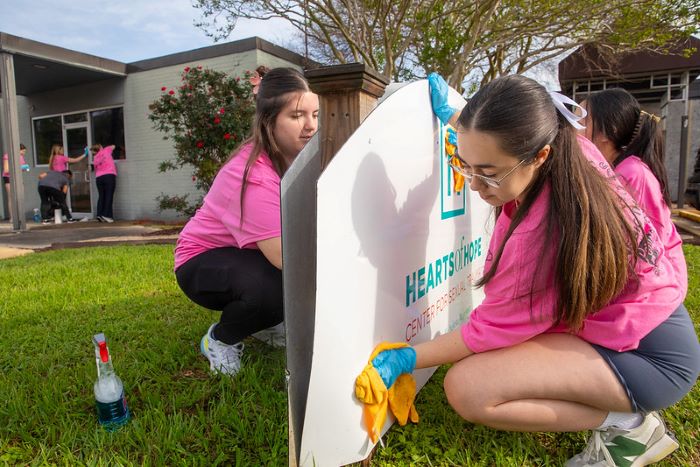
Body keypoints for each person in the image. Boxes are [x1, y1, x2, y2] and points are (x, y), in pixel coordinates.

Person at [367, 74, 700, 466]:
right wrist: (459, 120)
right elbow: (500, 142)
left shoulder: (538, 236)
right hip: (645, 326)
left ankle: (628, 425)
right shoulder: (571, 149)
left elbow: (485, 332)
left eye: (488, 172)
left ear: (538, 156)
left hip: (652, 360)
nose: (474, 184)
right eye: (464, 164)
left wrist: (406, 357)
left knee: (467, 387)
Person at [174, 67, 319, 375]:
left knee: (279, 288)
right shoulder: (253, 175)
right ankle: (221, 339)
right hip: (199, 262)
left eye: (315, 114)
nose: (310, 126)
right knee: (273, 291)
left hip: (247, 254)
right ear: (269, 121)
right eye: (296, 116)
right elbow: (284, 257)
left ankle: (263, 324)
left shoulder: (294, 158)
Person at [578, 88, 687, 301]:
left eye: (582, 122)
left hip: (657, 286)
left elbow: (640, 242)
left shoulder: (630, 173)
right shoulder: (621, 169)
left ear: (608, 132)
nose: (573, 129)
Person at [2, 143, 31, 219]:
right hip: (9, 177)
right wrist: (19, 167)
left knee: (20, 196)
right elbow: (6, 170)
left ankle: (20, 216)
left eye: (24, 152)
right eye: (22, 152)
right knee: (11, 197)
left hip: (17, 177)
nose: (23, 154)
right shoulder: (7, 156)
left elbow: (21, 168)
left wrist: (25, 168)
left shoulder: (21, 157)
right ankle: (12, 217)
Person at [91, 144, 117, 223]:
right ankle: (107, 215)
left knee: (101, 196)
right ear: (100, 147)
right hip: (109, 175)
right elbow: (114, 146)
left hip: (99, 178)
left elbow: (95, 168)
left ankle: (99, 214)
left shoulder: (95, 158)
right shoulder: (106, 150)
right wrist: (105, 148)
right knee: (109, 195)